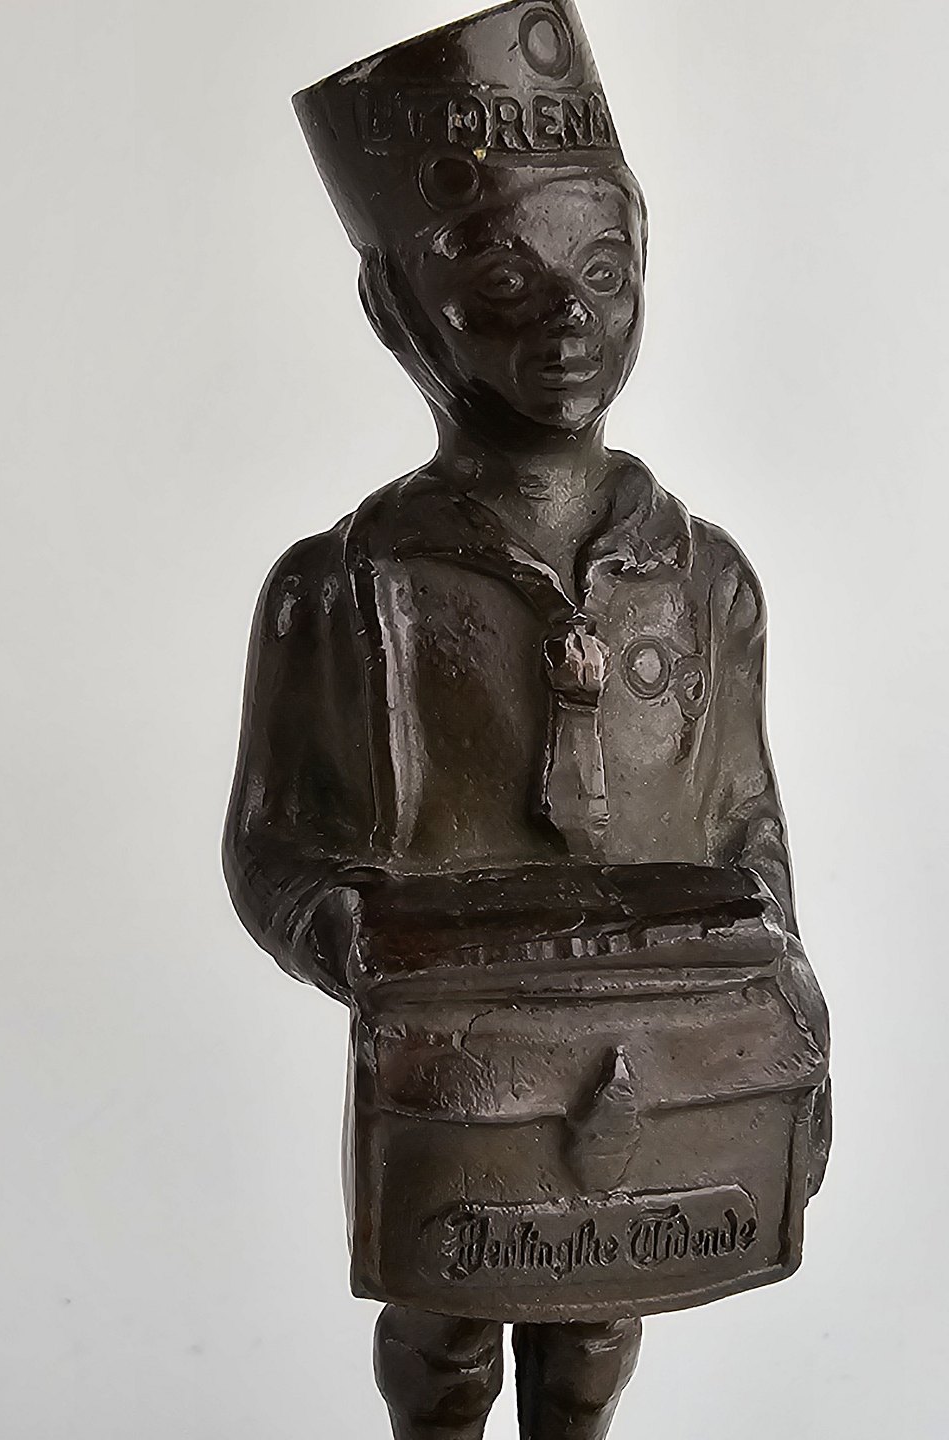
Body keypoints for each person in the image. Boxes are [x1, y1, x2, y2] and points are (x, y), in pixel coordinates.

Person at [225, 5, 828, 1436]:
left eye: (603, 275)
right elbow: (270, 843)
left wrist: (778, 987)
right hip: (455, 1054)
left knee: (601, 1321)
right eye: (501, 277)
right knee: (443, 1326)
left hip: (654, 1037)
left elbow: (745, 815)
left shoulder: (707, 580)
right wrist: (354, 939)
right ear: (400, 310)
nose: (566, 321)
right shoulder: (344, 589)